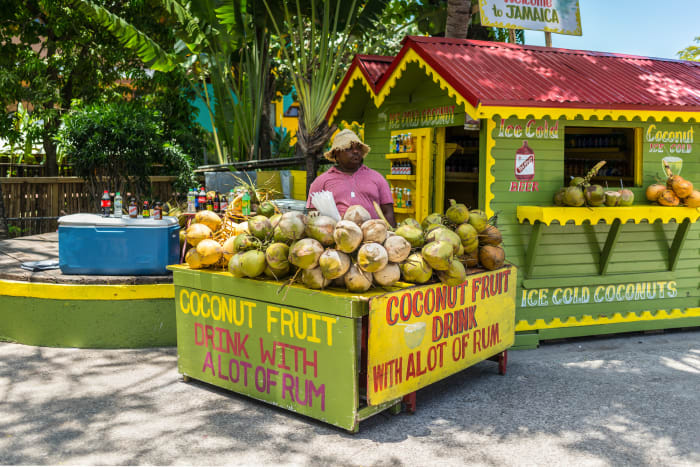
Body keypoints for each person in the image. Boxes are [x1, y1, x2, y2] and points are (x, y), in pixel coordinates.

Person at [306, 130, 395, 226]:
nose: (356, 151)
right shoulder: (321, 181)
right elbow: (313, 215)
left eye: (358, 148)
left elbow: (388, 212)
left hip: (373, 236)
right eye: (348, 148)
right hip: (337, 237)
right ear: (337, 153)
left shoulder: (377, 178)